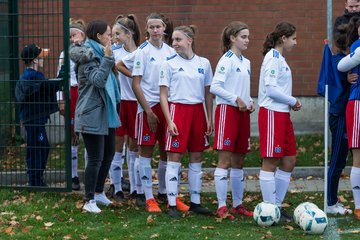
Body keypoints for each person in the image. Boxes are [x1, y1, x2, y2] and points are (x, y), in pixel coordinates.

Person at [159, 25, 213, 217]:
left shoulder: (204, 63)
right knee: (174, 156)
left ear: (190, 40)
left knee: (197, 157)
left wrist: (209, 118)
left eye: (178, 40)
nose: (174, 44)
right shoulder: (168, 64)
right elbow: (163, 95)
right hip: (177, 111)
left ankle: (196, 202)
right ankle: (172, 203)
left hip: (198, 112)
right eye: (173, 40)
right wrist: (169, 119)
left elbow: (208, 94)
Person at [69, 20, 121, 213]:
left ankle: (99, 192)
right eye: (108, 34)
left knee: (108, 154)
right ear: (99, 36)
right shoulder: (87, 58)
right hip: (91, 114)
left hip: (106, 112)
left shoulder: (102, 53)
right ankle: (88, 200)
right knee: (95, 158)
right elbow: (98, 81)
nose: (111, 38)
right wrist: (107, 60)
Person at [257, 22, 302, 222]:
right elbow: (271, 89)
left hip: (283, 114)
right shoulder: (273, 58)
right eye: (293, 38)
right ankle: (270, 209)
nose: (295, 42)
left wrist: (289, 104)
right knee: (271, 161)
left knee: (289, 160)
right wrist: (293, 101)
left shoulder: (280, 59)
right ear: (283, 38)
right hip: (272, 113)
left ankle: (276, 205)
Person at [210, 21, 255, 220]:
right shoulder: (226, 60)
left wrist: (250, 100)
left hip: (243, 114)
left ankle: (237, 204)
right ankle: (221, 206)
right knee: (225, 160)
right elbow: (215, 87)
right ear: (232, 38)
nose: (247, 40)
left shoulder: (246, 62)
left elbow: (242, 89)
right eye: (243, 36)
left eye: (248, 36)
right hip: (227, 112)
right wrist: (235, 99)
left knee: (239, 160)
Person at [132, 12, 175, 212]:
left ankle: (165, 193)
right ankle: (148, 197)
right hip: (148, 107)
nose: (155, 30)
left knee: (167, 151)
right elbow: (136, 84)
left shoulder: (170, 51)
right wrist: (148, 110)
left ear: (164, 28)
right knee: (146, 151)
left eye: (158, 26)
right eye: (151, 27)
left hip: (167, 106)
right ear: (147, 29)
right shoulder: (142, 51)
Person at [107, 14, 141, 202]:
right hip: (120, 102)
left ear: (129, 34)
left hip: (137, 103)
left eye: (117, 33)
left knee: (134, 146)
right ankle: (117, 186)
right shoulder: (114, 52)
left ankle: (136, 188)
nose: (114, 37)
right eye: (112, 34)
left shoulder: (141, 52)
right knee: (117, 146)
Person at [15, 44, 60, 186]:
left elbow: (45, 87)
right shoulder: (33, 76)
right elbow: (50, 87)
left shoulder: (30, 75)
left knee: (39, 147)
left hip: (33, 119)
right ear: (34, 60)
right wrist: (63, 73)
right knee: (38, 147)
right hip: (33, 119)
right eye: (40, 58)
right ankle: (35, 180)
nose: (43, 60)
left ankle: (36, 178)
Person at [327, 24, 354, 215]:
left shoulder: (347, 61)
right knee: (337, 160)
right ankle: (330, 201)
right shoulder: (339, 62)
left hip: (348, 115)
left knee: (342, 160)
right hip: (340, 116)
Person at [57, 18, 87, 191]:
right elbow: (61, 77)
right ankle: (73, 175)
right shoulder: (64, 54)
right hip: (72, 94)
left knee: (89, 135)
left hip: (86, 94)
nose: (70, 39)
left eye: (73, 35)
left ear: (82, 35)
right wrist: (61, 99)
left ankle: (91, 175)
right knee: (73, 136)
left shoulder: (88, 50)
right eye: (68, 36)